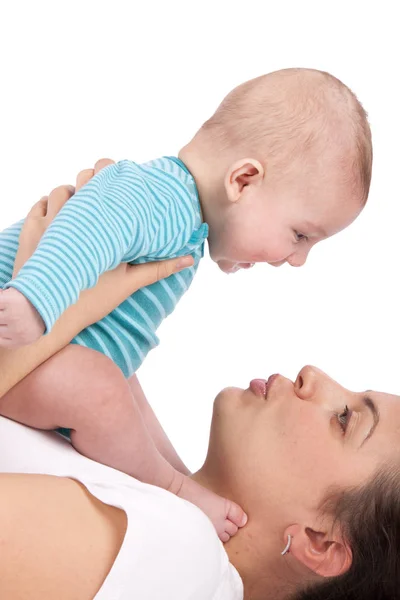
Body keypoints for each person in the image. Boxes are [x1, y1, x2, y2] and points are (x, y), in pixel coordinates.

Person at [0, 67, 373, 539]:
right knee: (100, 387)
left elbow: (118, 370)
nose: (296, 260)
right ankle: (169, 486)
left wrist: (175, 462)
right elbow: (94, 218)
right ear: (243, 180)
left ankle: (172, 474)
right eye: (299, 235)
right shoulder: (165, 198)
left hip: (34, 355)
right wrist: (35, 300)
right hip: (15, 326)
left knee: (114, 375)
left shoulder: (187, 231)